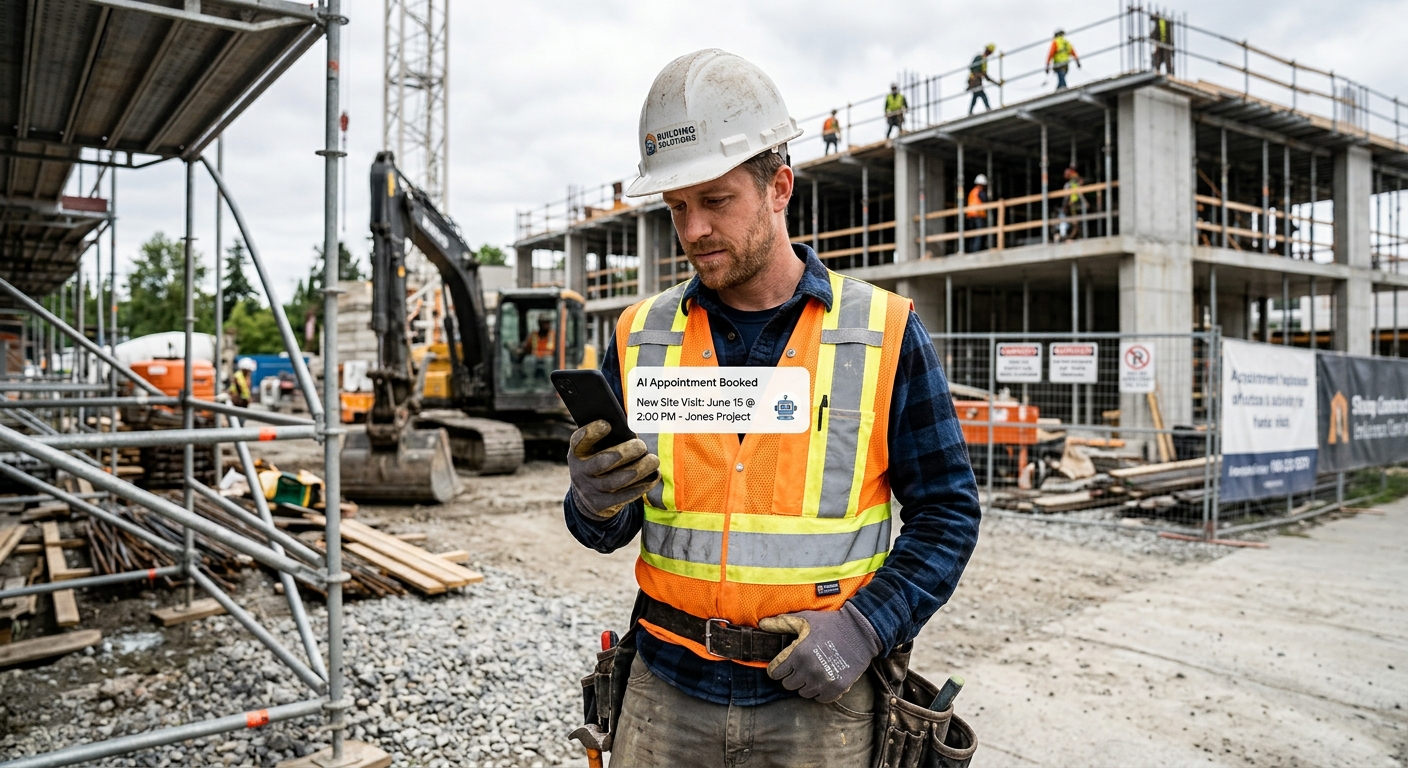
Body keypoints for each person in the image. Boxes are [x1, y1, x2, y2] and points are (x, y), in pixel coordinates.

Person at [564, 48, 981, 767]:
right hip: (666, 692)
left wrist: (864, 628)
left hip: (818, 704)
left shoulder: (880, 331)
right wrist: (592, 502)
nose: (694, 229)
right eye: (677, 207)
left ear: (779, 186)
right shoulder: (641, 337)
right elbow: (610, 529)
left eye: (715, 200)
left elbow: (948, 512)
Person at [518, 315, 555, 379]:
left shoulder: (554, 335)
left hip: (549, 357)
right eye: (543, 322)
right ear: (539, 323)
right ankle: (529, 379)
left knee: (549, 360)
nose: (546, 325)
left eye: (547, 322)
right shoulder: (534, 335)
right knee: (528, 359)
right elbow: (527, 347)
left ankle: (550, 380)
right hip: (535, 356)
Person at [968, 44, 1001, 114]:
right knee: (982, 95)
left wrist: (996, 83)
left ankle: (970, 112)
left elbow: (985, 76)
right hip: (975, 82)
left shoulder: (984, 60)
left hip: (977, 82)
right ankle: (987, 108)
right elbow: (973, 69)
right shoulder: (979, 58)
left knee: (976, 96)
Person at [1059, 165, 1084, 242]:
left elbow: (1071, 195)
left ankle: (1071, 237)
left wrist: (1067, 204)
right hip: (1071, 205)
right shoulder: (1070, 184)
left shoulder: (1072, 184)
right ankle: (1070, 237)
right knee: (1073, 222)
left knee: (1075, 223)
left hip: (1073, 205)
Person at [966, 173, 990, 252]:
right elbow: (985, 200)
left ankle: (971, 250)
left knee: (972, 234)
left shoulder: (972, 192)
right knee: (979, 234)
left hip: (970, 216)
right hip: (978, 215)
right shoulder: (980, 192)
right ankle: (976, 251)